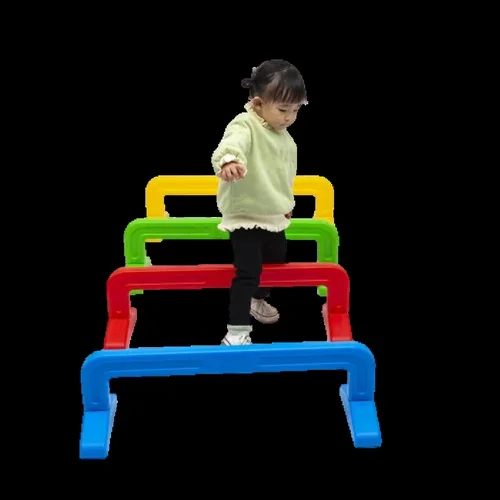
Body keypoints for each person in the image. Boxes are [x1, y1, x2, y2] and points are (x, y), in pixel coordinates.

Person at [211, 59, 308, 345]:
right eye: (283, 109)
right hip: (246, 214)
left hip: (273, 215)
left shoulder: (286, 139)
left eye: (296, 110)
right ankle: (237, 331)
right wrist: (229, 161)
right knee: (248, 271)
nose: (289, 117)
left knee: (276, 264)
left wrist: (286, 204)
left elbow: (283, 176)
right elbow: (232, 143)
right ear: (258, 103)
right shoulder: (246, 124)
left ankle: (258, 299)